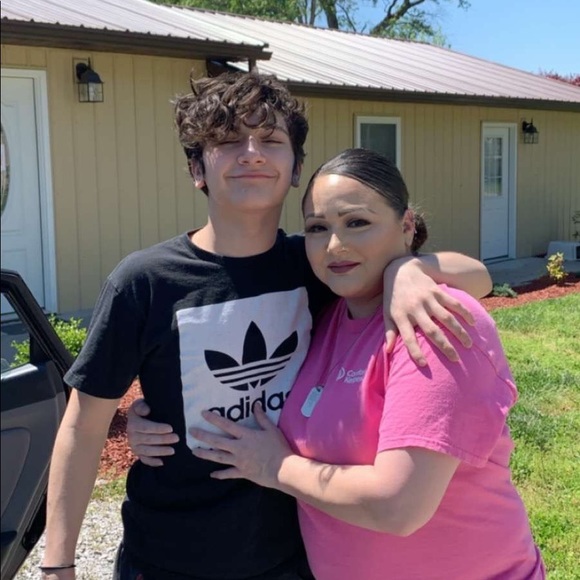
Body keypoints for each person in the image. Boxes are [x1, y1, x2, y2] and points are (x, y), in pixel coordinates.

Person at [40, 71, 491, 580]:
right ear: (197, 169)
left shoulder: (320, 263)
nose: (251, 153)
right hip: (168, 555)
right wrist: (58, 563)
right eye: (229, 141)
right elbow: (84, 426)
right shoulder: (144, 282)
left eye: (271, 140)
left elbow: (478, 277)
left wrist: (408, 269)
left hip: (291, 554)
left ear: (296, 168)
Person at [181, 148, 545, 580]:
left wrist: (276, 467)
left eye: (357, 222)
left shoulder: (434, 323)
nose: (335, 246)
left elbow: (399, 507)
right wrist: (154, 417)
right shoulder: (327, 318)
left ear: (406, 226)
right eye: (317, 228)